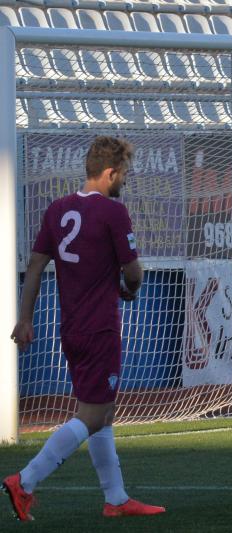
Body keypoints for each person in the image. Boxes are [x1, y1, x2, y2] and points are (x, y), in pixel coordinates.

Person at [3, 137, 165, 521]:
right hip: (99, 329)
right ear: (110, 173)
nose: (123, 181)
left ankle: (116, 498)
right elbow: (134, 272)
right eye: (122, 174)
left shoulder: (58, 209)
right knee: (93, 416)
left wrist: (25, 319)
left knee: (102, 415)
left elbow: (36, 267)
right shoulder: (113, 211)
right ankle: (24, 481)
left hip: (71, 329)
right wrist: (128, 288)